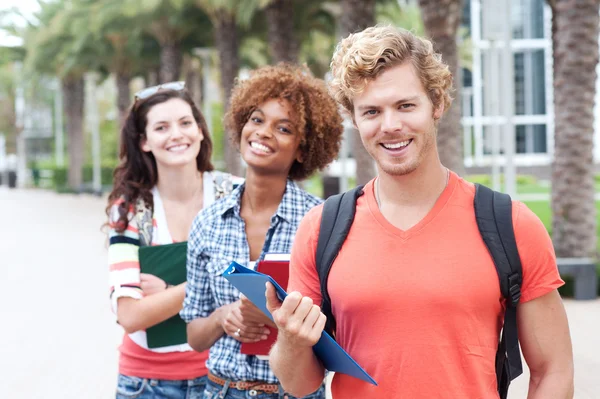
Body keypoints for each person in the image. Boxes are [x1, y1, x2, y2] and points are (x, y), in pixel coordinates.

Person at [267, 26, 574, 398]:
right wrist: (289, 337)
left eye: (406, 105)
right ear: (354, 119)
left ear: (437, 103)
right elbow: (300, 384)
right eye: (372, 111)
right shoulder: (322, 229)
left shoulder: (510, 224)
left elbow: (553, 372)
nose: (390, 125)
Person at [180, 64, 343, 399]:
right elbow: (194, 336)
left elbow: (339, 338)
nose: (264, 132)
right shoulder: (207, 222)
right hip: (219, 390)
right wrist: (223, 317)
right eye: (256, 119)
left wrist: (276, 320)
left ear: (302, 148)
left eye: (283, 128)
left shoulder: (323, 222)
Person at [106, 82, 239, 399]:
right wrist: (211, 281)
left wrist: (166, 293)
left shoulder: (235, 195)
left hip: (226, 379)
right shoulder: (130, 209)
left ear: (200, 130)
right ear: (145, 142)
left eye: (185, 123)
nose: (177, 135)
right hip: (148, 384)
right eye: (161, 127)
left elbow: (258, 282)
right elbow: (130, 315)